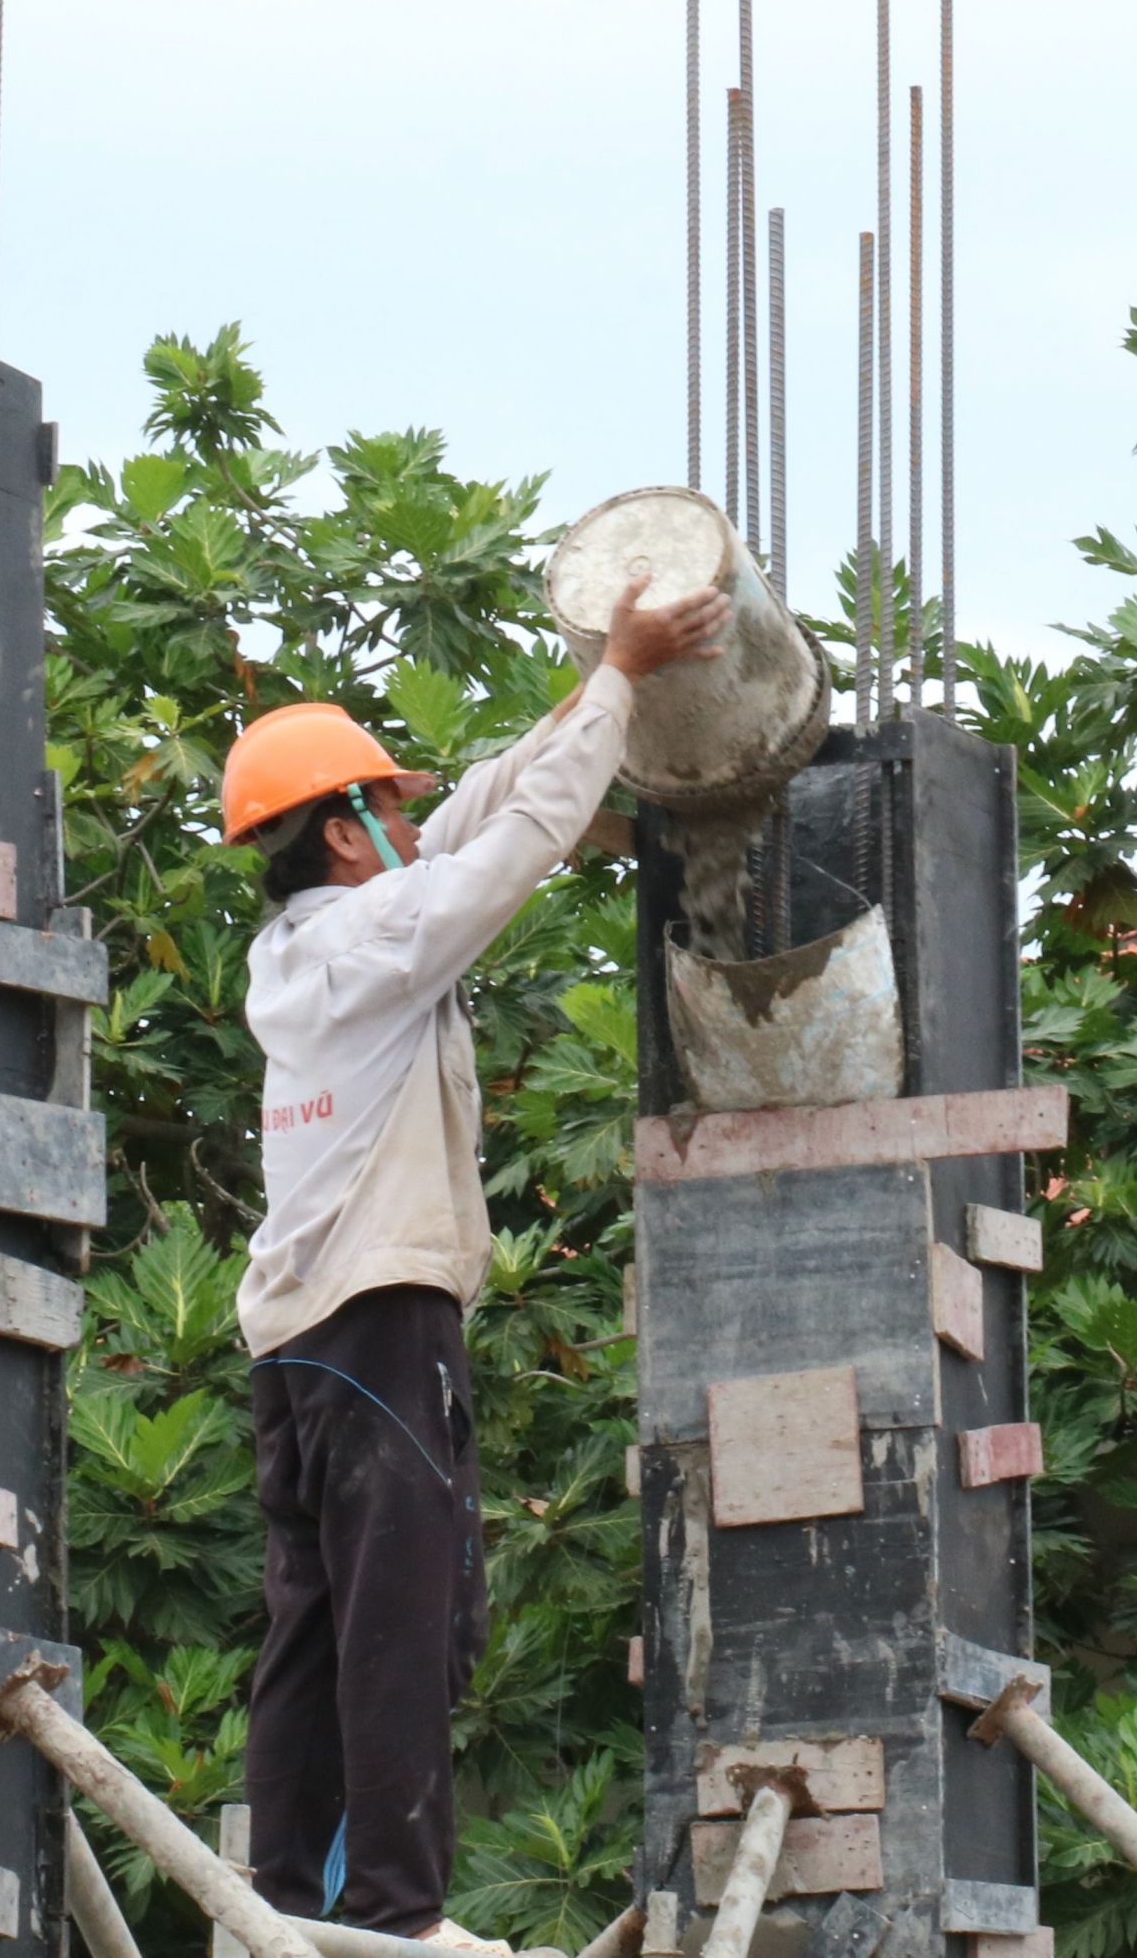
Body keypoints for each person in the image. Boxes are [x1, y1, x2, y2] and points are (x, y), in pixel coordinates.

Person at [222, 574, 731, 1942]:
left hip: (301, 1337)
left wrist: (596, 692)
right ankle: (394, 1914)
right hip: (378, 1321)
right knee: (405, 1618)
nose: (414, 821)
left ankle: (296, 1905)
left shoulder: (320, 939)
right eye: (389, 810)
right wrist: (621, 679)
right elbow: (517, 845)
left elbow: (487, 806)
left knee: (315, 1627)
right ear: (344, 834)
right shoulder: (383, 931)